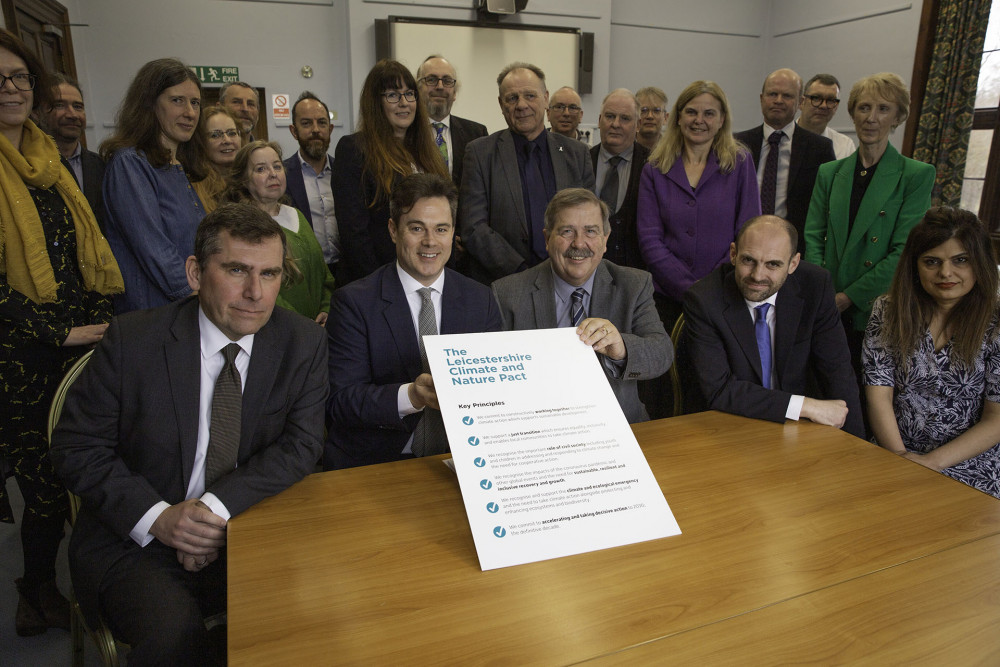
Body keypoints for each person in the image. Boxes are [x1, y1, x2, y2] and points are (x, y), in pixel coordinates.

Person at [50, 203, 328, 665]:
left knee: (312, 616)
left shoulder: (303, 342)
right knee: (173, 638)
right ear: (196, 273)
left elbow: (301, 446)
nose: (255, 292)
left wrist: (211, 511)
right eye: (237, 270)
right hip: (136, 537)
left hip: (244, 524)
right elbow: (76, 448)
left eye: (271, 274)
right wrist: (160, 518)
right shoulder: (133, 340)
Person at [0, 28, 123, 637]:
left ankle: (95, 580)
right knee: (43, 486)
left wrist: (101, 315)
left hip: (86, 340)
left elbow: (88, 251)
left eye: (20, 77)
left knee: (94, 464)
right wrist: (62, 332)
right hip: (22, 356)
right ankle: (37, 587)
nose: (11, 89)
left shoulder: (50, 163)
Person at [325, 173, 502, 470]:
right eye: (417, 228)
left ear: (453, 232)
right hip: (379, 464)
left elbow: (496, 390)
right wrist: (411, 396)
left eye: (441, 229)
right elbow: (339, 401)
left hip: (462, 463)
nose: (430, 242)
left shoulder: (480, 299)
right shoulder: (353, 303)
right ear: (394, 230)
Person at [491, 188, 671, 423]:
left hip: (619, 427)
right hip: (538, 430)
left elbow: (662, 353)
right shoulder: (507, 293)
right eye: (567, 231)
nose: (579, 243)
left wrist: (622, 349)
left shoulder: (634, 285)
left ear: (605, 240)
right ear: (547, 239)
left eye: (590, 231)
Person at [804, 72, 936, 377]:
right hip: (825, 305)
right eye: (863, 108)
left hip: (874, 308)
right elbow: (813, 234)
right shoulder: (829, 172)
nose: (871, 118)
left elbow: (905, 250)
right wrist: (824, 292)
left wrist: (848, 297)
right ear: (852, 113)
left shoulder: (915, 175)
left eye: (883, 109)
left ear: (898, 117)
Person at [682, 215, 863, 437]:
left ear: (793, 264)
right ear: (733, 254)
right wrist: (804, 406)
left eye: (773, 264)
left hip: (798, 431)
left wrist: (858, 448)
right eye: (748, 260)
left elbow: (838, 372)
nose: (758, 275)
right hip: (729, 426)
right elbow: (720, 390)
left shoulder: (816, 286)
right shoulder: (704, 299)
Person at [864, 207, 1000, 498]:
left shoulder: (997, 322)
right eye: (931, 262)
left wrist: (930, 463)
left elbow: (996, 419)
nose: (945, 273)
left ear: (980, 263)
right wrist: (900, 456)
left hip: (972, 461)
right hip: (894, 449)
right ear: (914, 266)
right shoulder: (886, 311)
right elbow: (879, 396)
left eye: (960, 260)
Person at [637, 80, 760, 334]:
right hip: (666, 297)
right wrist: (688, 287)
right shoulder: (655, 167)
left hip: (724, 293)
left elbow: (749, 231)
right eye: (691, 112)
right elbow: (649, 239)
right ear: (678, 117)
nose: (698, 120)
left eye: (709, 113)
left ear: (722, 119)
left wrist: (713, 285)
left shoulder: (740, 162)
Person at [459, 61, 595, 284]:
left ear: (545, 99)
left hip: (566, 279)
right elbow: (473, 227)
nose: (521, 105)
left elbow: (589, 220)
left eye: (530, 96)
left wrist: (567, 265)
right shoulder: (480, 152)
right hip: (503, 282)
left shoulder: (576, 154)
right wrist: (522, 272)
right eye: (512, 98)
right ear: (501, 105)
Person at [101, 57, 208, 313]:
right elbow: (155, 250)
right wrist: (200, 300)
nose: (190, 112)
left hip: (186, 309)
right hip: (155, 314)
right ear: (149, 104)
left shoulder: (176, 165)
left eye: (195, 103)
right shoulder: (130, 164)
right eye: (177, 100)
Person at [332, 59, 450, 285]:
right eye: (393, 95)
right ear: (375, 103)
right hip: (377, 279)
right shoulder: (354, 149)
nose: (404, 103)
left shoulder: (428, 152)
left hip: (427, 274)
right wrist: (383, 284)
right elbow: (354, 234)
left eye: (409, 94)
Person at [223, 140, 334, 324]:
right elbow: (258, 292)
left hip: (316, 329)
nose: (273, 174)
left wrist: (327, 308)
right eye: (261, 169)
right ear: (244, 181)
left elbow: (323, 275)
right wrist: (301, 325)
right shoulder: (243, 228)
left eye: (277, 166)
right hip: (279, 328)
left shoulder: (296, 214)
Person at [734, 68, 835, 253]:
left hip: (795, 250)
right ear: (761, 98)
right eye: (773, 94)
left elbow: (826, 208)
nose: (778, 100)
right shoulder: (737, 144)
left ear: (800, 102)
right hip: (743, 244)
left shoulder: (819, 148)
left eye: (787, 95)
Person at [591, 88, 649, 268]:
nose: (615, 124)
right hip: (586, 269)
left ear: (638, 125)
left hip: (635, 272)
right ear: (600, 121)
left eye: (625, 118)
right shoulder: (581, 161)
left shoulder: (654, 165)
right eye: (609, 116)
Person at [284, 91, 340, 277]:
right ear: (294, 131)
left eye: (321, 122)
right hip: (304, 275)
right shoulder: (282, 176)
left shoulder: (346, 172)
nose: (316, 129)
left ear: (330, 129)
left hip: (346, 272)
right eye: (307, 123)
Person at [40, 73, 106, 230]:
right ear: (38, 112)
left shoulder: (102, 166)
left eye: (78, 106)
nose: (72, 114)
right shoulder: (29, 166)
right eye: (59, 105)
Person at [415, 54, 488, 188]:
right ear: (418, 90)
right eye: (431, 79)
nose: (440, 86)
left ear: (454, 93)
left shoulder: (477, 134)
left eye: (447, 81)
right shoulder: (405, 133)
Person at [192, 106, 241, 213]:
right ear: (201, 142)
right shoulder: (193, 189)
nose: (227, 140)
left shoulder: (250, 180)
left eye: (232, 133)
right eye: (215, 135)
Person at [797, 73, 856, 160]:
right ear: (801, 102)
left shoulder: (845, 146)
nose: (823, 106)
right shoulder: (782, 139)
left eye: (831, 100)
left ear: (836, 107)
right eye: (816, 98)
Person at [635, 86, 668, 151]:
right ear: (634, 116)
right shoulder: (623, 146)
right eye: (644, 110)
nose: (650, 116)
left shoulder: (674, 151)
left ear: (665, 118)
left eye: (656, 111)